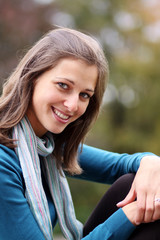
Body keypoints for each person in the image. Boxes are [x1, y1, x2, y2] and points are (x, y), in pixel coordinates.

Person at [0, 27, 160, 240]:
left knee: (135, 185)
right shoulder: (4, 161)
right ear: (32, 77)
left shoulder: (46, 146)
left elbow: (122, 164)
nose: (72, 105)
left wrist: (152, 163)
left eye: (84, 95)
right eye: (63, 85)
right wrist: (129, 216)